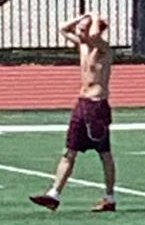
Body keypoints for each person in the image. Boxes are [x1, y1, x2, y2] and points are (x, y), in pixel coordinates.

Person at [29, 12, 116, 213]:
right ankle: (54, 195)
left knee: (104, 153)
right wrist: (83, 16)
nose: (79, 31)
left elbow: (94, 35)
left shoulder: (103, 49)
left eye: (84, 28)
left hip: (97, 106)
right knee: (69, 151)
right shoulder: (83, 46)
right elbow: (63, 28)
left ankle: (110, 197)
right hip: (82, 104)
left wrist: (94, 18)